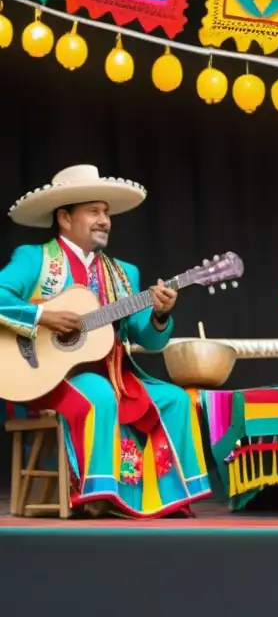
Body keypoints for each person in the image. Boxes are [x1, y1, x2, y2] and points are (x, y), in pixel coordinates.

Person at [0, 165, 212, 518]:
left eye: (107, 213)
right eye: (94, 211)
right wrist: (43, 317)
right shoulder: (34, 258)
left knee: (175, 399)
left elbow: (148, 338)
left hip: (116, 376)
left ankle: (173, 497)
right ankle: (100, 497)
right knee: (97, 395)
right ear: (65, 218)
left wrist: (159, 314)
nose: (105, 220)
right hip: (46, 376)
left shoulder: (124, 273)